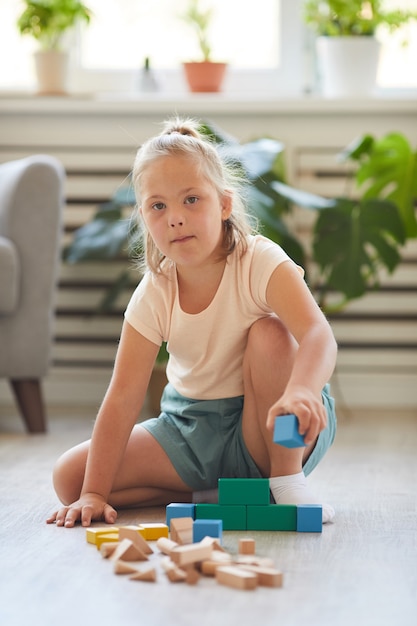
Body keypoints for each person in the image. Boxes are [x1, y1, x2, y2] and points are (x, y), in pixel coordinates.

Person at [47, 117, 337, 529]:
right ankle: (215, 493)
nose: (175, 218)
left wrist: (304, 392)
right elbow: (123, 396)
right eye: (158, 206)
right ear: (144, 217)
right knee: (70, 478)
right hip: (189, 430)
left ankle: (284, 482)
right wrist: (93, 493)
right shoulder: (155, 292)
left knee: (270, 333)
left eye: (191, 200)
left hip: (270, 426)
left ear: (223, 204)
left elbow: (317, 334)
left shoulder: (260, 261)